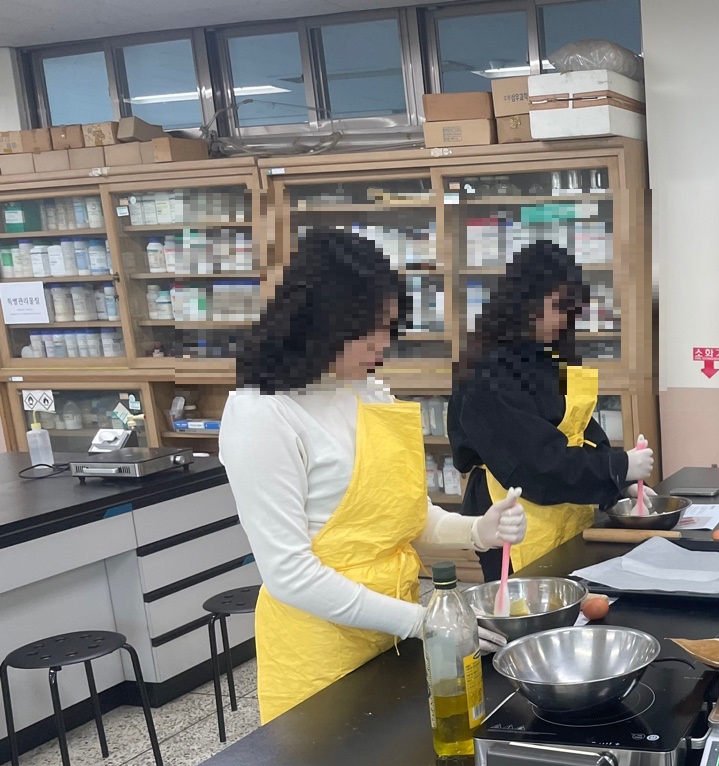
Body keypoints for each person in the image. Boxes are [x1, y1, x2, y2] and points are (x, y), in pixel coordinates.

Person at [220, 229, 527, 724]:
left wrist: (477, 530)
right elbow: (289, 574)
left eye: (388, 327)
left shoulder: (366, 390)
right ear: (316, 321)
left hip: (393, 635)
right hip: (321, 656)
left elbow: (402, 516)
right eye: (367, 330)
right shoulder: (262, 413)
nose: (381, 344)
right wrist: (423, 621)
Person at [449, 240, 652, 572]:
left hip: (565, 512)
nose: (564, 320)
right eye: (558, 307)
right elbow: (536, 462)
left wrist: (619, 483)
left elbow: (580, 429)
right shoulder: (486, 373)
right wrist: (617, 467)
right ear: (523, 300)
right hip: (514, 521)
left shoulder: (550, 356)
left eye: (571, 310)